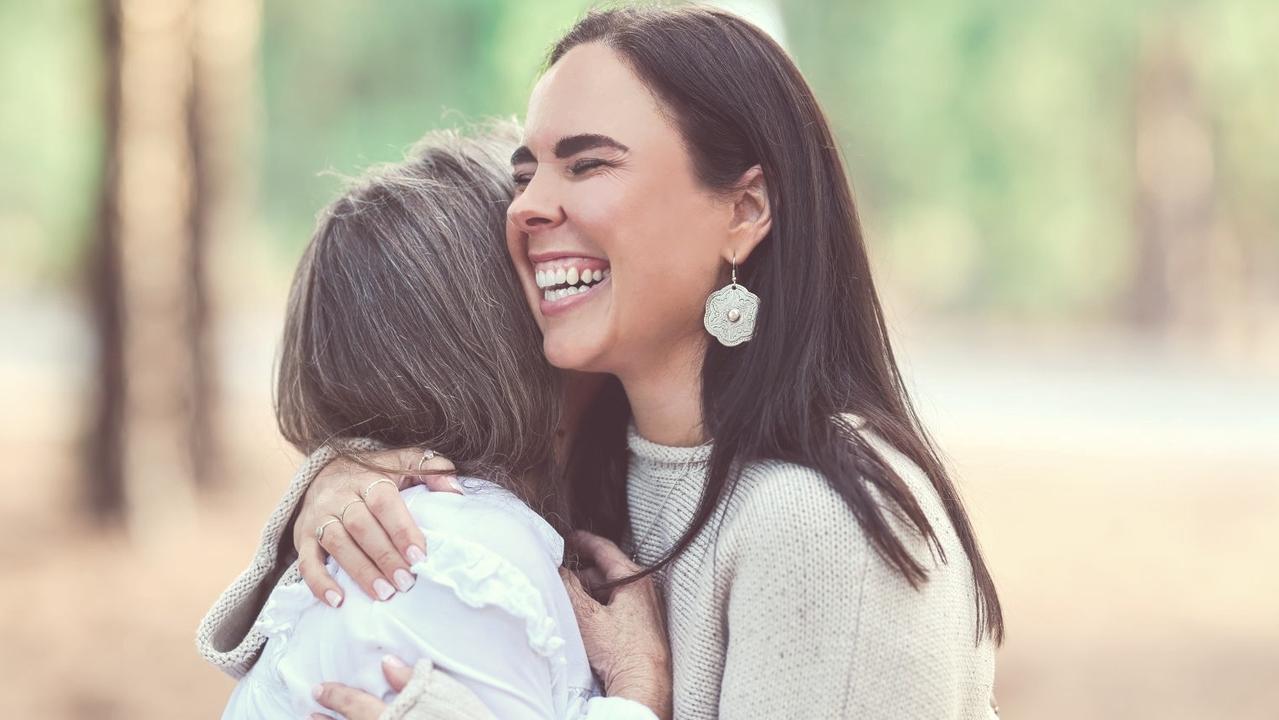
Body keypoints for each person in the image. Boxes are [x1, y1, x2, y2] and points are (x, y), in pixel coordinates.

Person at [203, 6, 1004, 718]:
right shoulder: (591, 464)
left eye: (587, 164)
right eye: (526, 173)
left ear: (744, 210)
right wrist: (347, 480)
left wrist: (636, 693)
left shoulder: (816, 528)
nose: (527, 205)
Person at [205, 129, 670, 719]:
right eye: (541, 272)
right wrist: (638, 690)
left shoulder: (449, 533)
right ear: (493, 333)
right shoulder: (450, 567)